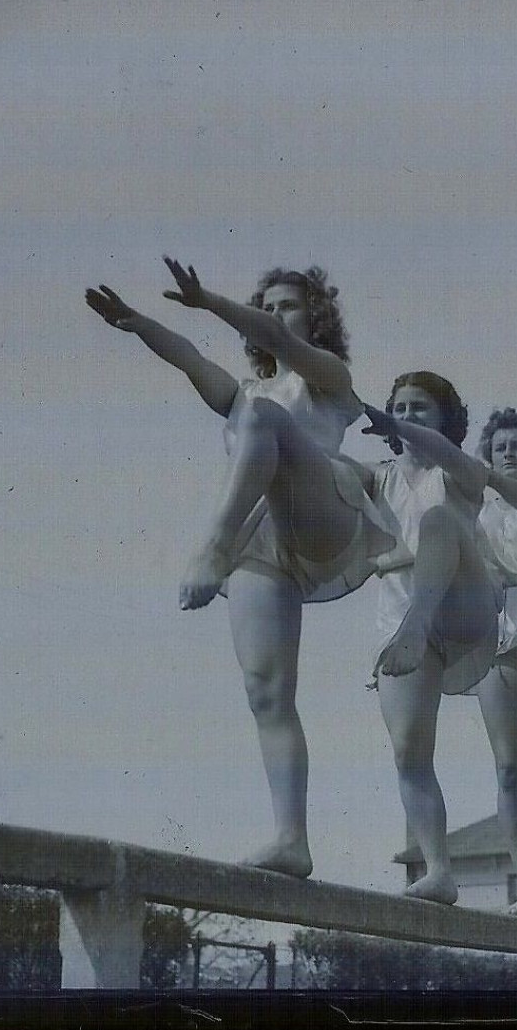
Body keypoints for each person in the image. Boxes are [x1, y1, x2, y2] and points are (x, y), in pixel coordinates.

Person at [83, 260, 399, 878]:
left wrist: (208, 301)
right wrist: (140, 322)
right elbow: (189, 361)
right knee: (267, 692)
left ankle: (211, 544)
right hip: (262, 542)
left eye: (288, 304)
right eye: (270, 305)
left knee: (261, 418)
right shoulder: (243, 393)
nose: (277, 315)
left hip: (323, 515)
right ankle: (291, 841)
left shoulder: (332, 381)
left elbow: (279, 342)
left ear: (317, 317)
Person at [376, 405, 517, 919]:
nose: (507, 454)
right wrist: (380, 563)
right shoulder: (474, 509)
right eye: (499, 447)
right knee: (510, 766)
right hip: (497, 629)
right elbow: (430, 551)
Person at [367, 371, 504, 905]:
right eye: (399, 406)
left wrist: (391, 560)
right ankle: (439, 870)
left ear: (446, 418)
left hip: (461, 608)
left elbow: (451, 469)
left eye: (419, 407)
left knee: (441, 523)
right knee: (409, 752)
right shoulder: (378, 477)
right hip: (401, 629)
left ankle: (416, 625)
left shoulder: (462, 471)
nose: (407, 414)